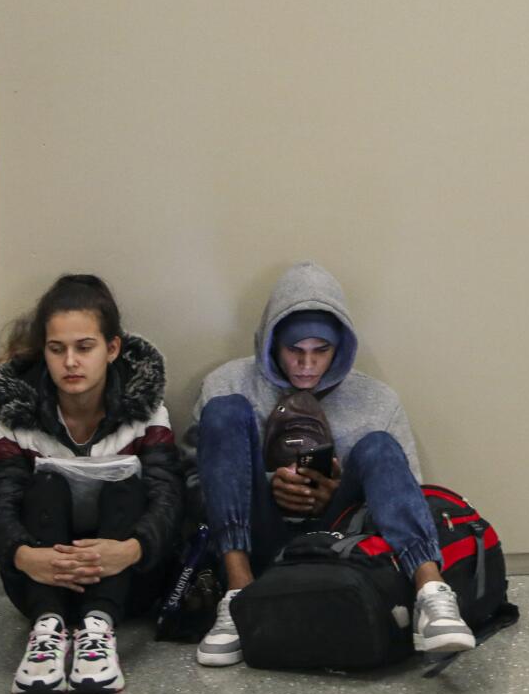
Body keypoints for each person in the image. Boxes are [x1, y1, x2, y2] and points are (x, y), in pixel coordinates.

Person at [190, 261, 475, 665]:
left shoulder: (376, 400)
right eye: (295, 350)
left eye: (320, 351)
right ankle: (239, 598)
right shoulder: (228, 383)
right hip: (256, 534)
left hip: (340, 538)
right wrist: (270, 482)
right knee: (224, 411)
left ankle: (431, 593)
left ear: (340, 348)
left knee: (378, 445)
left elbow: (411, 493)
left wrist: (335, 498)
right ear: (272, 342)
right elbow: (194, 485)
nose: (307, 364)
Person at [0, 274, 183, 694]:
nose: (70, 362)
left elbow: (169, 497)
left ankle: (96, 633)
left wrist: (130, 549)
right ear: (45, 352)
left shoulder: (145, 410)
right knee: (44, 485)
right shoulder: (17, 415)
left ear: (111, 349)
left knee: (126, 487)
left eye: (84, 347)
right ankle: (47, 635)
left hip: (127, 579)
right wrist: (25, 555)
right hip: (39, 579)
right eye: (58, 349)